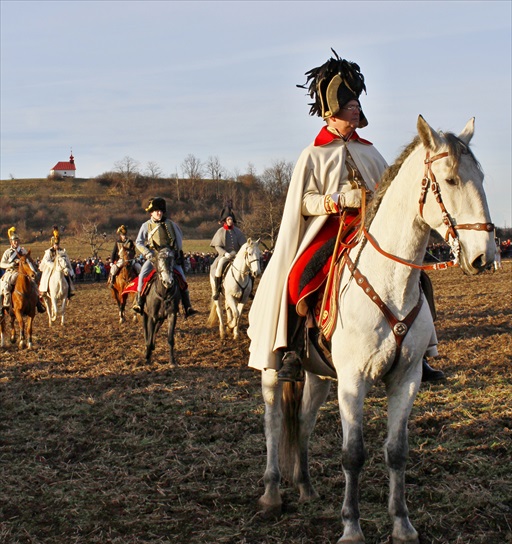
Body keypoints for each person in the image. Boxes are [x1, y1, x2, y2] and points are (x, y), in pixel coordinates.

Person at [247, 50, 444, 383]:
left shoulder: (371, 151)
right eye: (350, 108)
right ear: (332, 114)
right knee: (300, 277)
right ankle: (295, 351)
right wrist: (337, 200)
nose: (356, 112)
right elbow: (303, 202)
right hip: (330, 228)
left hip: (371, 226)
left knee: (420, 276)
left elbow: (391, 192)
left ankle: (419, 352)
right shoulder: (313, 155)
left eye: (356, 107)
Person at [132, 197, 198, 317]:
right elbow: (139, 242)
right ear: (151, 212)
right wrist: (148, 253)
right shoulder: (145, 226)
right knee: (142, 275)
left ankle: (187, 306)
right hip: (154, 257)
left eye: (161, 210)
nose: (159, 213)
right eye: (156, 211)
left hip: (170, 257)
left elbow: (178, 241)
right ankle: (139, 303)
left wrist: (177, 253)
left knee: (182, 277)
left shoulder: (172, 224)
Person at [0, 227, 45, 312]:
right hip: (11, 271)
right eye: (14, 241)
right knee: (5, 286)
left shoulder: (23, 251)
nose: (16, 243)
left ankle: (38, 303)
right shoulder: (7, 252)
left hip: (24, 272)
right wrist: (10, 264)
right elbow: (1, 264)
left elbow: (28, 261)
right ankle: (6, 303)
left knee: (34, 285)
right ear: (11, 242)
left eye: (17, 241)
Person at [210, 206, 247, 300]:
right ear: (225, 221)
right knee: (219, 267)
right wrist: (224, 253)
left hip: (237, 256)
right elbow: (217, 246)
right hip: (225, 256)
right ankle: (218, 289)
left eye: (231, 219)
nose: (230, 220)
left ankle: (249, 290)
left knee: (248, 268)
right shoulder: (220, 231)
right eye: (228, 219)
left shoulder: (238, 231)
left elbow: (244, 245)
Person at [39, 226, 76, 299]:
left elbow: (67, 260)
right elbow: (46, 260)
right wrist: (54, 265)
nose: (57, 246)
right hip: (51, 267)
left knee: (67, 276)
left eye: (58, 244)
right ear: (52, 244)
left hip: (61, 267)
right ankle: (44, 290)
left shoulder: (62, 251)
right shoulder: (49, 251)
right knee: (46, 276)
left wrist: (70, 269)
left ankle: (68, 291)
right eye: (56, 244)